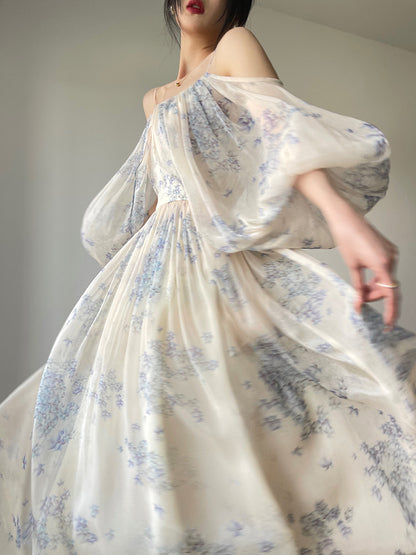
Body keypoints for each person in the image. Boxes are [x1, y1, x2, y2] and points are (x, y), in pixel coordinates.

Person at [1, 0, 416, 552]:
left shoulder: (234, 47)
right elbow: (170, 185)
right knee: (148, 421)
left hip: (216, 259)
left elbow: (283, 133)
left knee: (257, 406)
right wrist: (128, 262)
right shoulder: (153, 100)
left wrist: (345, 222)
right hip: (154, 270)